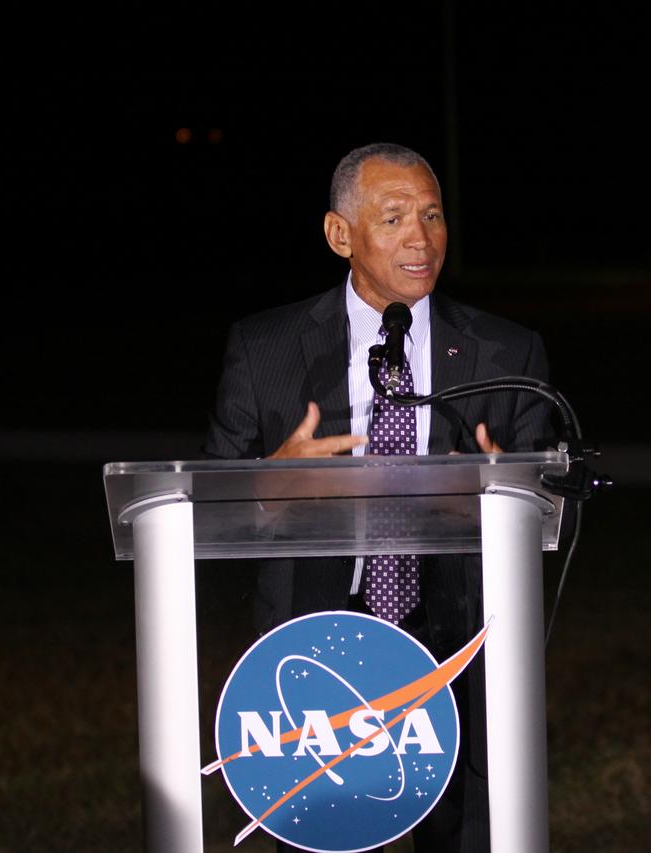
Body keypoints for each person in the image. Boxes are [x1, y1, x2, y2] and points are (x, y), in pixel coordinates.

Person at [203, 142, 556, 853]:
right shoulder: (266, 349)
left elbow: (556, 506)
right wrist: (272, 477)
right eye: (393, 218)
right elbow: (207, 508)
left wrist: (510, 495)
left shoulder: (505, 353)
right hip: (316, 641)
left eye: (432, 215)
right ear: (341, 235)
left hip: (458, 637)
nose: (420, 238)